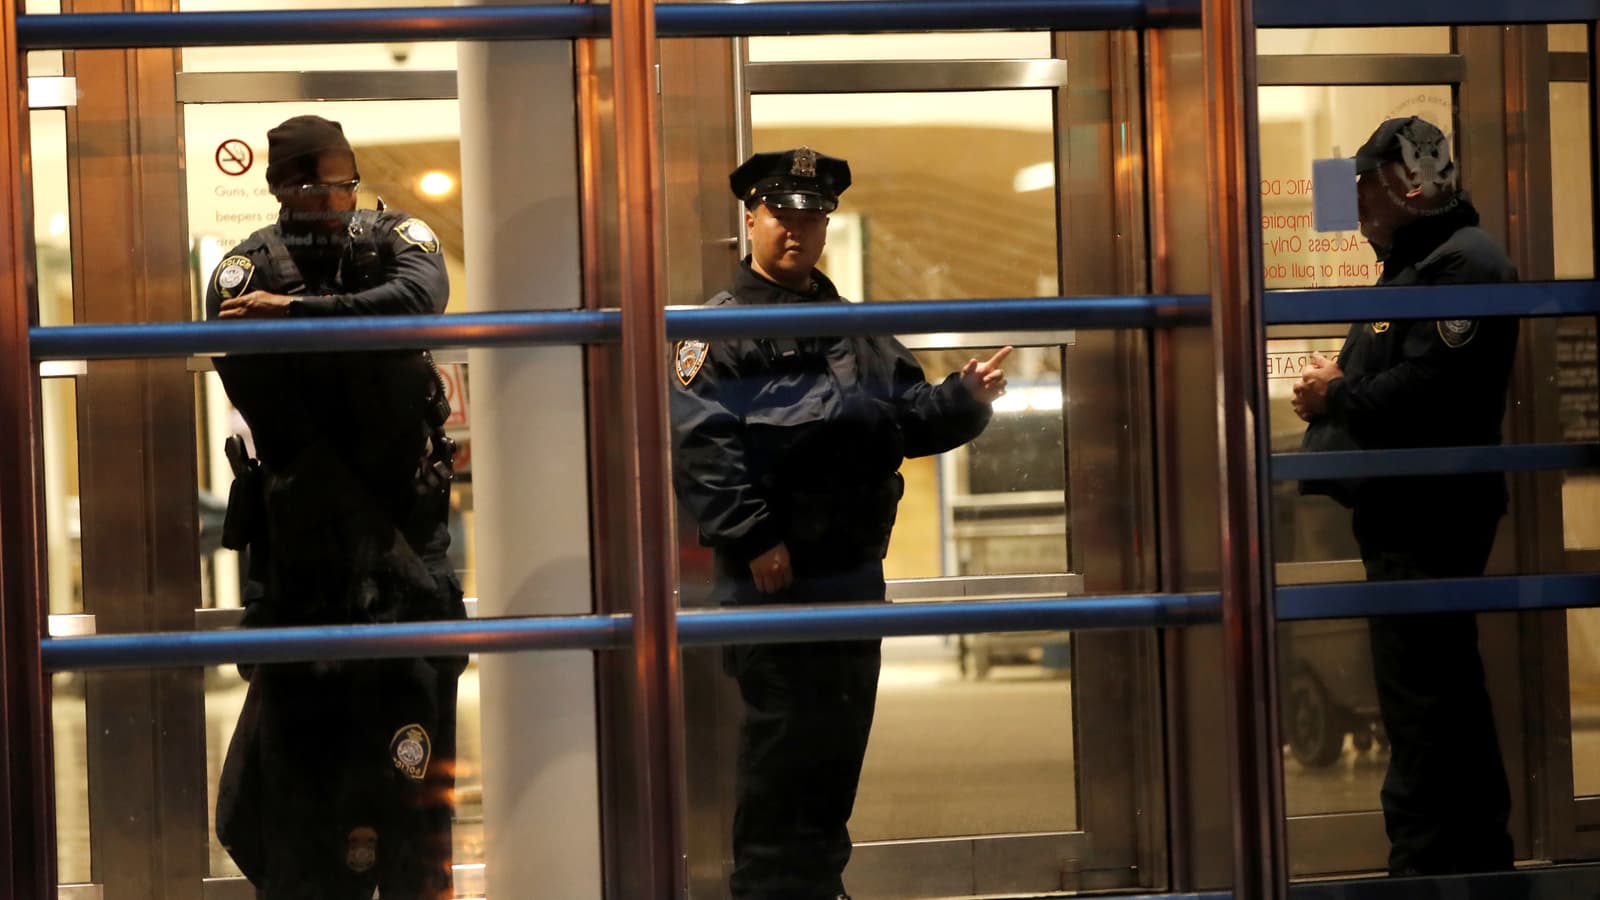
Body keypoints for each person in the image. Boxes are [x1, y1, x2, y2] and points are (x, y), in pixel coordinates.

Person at [670, 147, 1011, 900]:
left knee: (836, 747)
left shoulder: (855, 327)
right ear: (751, 217)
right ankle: (768, 890)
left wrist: (966, 396)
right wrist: (755, 537)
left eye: (812, 215)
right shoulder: (712, 331)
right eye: (782, 214)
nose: (797, 229)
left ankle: (818, 885)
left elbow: (907, 414)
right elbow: (701, 447)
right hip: (775, 578)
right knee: (782, 749)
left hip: (853, 571)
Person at [206, 114, 465, 900]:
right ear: (281, 187)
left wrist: (298, 318)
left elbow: (419, 301)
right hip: (306, 553)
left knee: (414, 773)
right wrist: (360, 333)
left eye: (345, 180)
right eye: (316, 183)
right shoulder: (246, 267)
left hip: (409, 553)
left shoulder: (395, 237)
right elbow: (263, 390)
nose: (335, 197)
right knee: (304, 787)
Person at [1292, 116, 1519, 876]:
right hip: (1406, 510)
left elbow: (1433, 388)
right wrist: (1343, 386)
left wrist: (1337, 396)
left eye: (1363, 188)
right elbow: (1402, 372)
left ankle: (1432, 864)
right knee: (1433, 690)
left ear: (1405, 183)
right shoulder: (1420, 265)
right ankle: (1466, 857)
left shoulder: (1463, 265)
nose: (1356, 207)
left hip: (1432, 512)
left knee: (1426, 697)